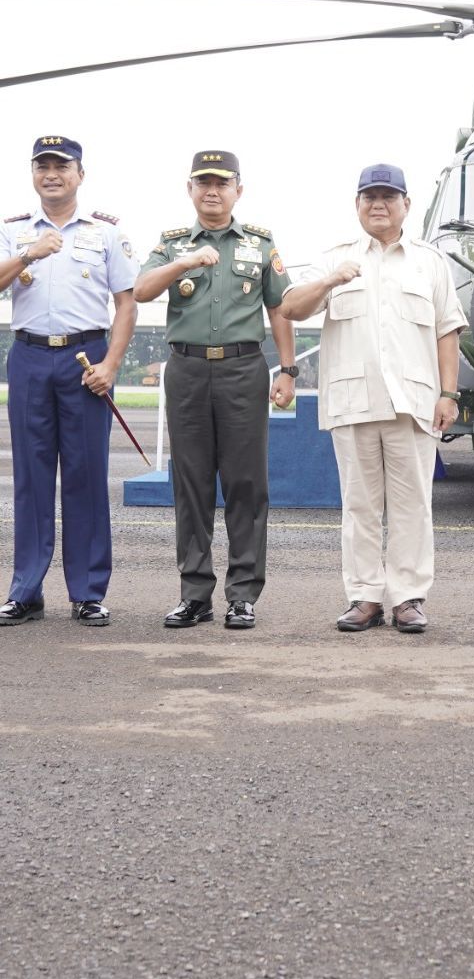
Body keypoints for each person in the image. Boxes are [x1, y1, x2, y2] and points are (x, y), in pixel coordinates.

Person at [280, 163, 466, 633]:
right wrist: (328, 282)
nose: (378, 204)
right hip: (353, 401)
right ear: (357, 205)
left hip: (414, 403)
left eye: (388, 196)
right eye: (369, 197)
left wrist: (449, 393)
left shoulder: (430, 262)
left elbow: (448, 331)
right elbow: (290, 307)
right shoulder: (335, 258)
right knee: (360, 506)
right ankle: (364, 596)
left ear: (407, 204)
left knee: (412, 505)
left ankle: (407, 598)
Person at [134, 150, 296, 631]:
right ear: (190, 189)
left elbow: (280, 309)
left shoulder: (261, 245)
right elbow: (141, 290)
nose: (212, 191)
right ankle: (194, 594)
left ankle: (243, 595)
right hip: (185, 370)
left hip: (244, 370)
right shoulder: (173, 243)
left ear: (237, 190)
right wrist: (185, 261)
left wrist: (287, 370)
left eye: (222, 183)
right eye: (203, 182)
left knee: (246, 484)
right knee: (191, 485)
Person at [0, 136, 137, 628]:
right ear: (33, 174)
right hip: (31, 356)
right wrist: (29, 255)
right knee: (31, 480)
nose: (52, 174)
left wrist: (113, 365)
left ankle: (88, 592)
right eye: (43, 166)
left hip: (86, 359)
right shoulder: (12, 231)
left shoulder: (105, 234)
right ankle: (26, 591)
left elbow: (126, 303)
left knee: (85, 476)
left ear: (81, 174)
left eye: (62, 166)